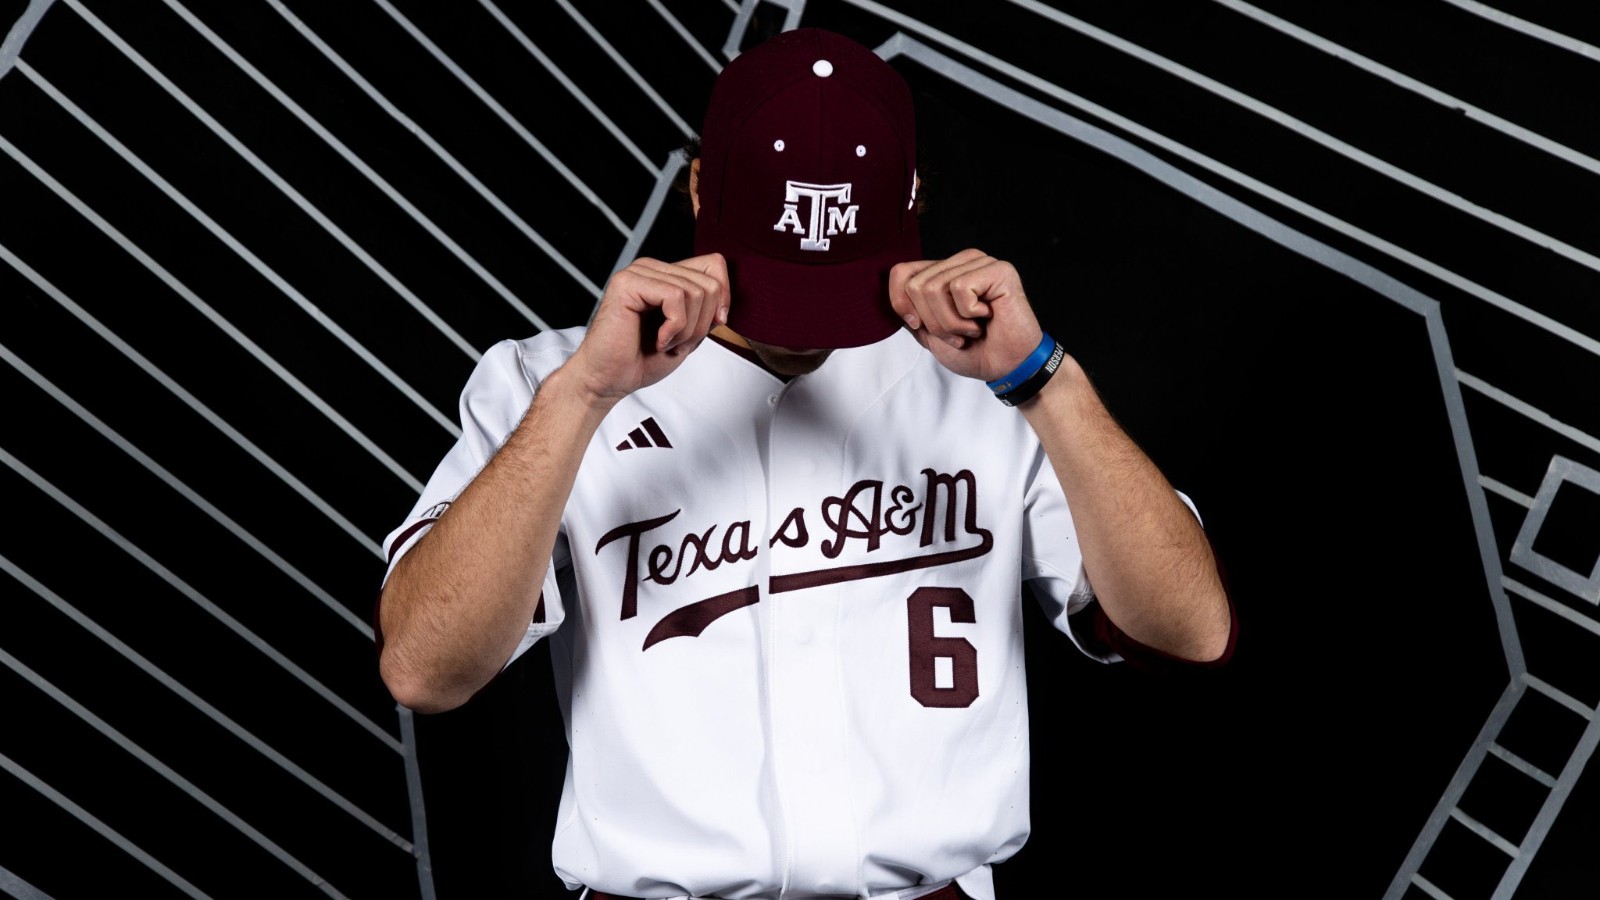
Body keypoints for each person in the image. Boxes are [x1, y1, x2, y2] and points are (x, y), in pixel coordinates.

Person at [375, 26, 1234, 900]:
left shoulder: (996, 376)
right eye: (779, 275)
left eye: (835, 281)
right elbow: (423, 670)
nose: (802, 323)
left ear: (915, 198)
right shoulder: (548, 381)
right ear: (699, 186)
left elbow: (1190, 634)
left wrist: (1044, 380)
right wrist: (581, 398)